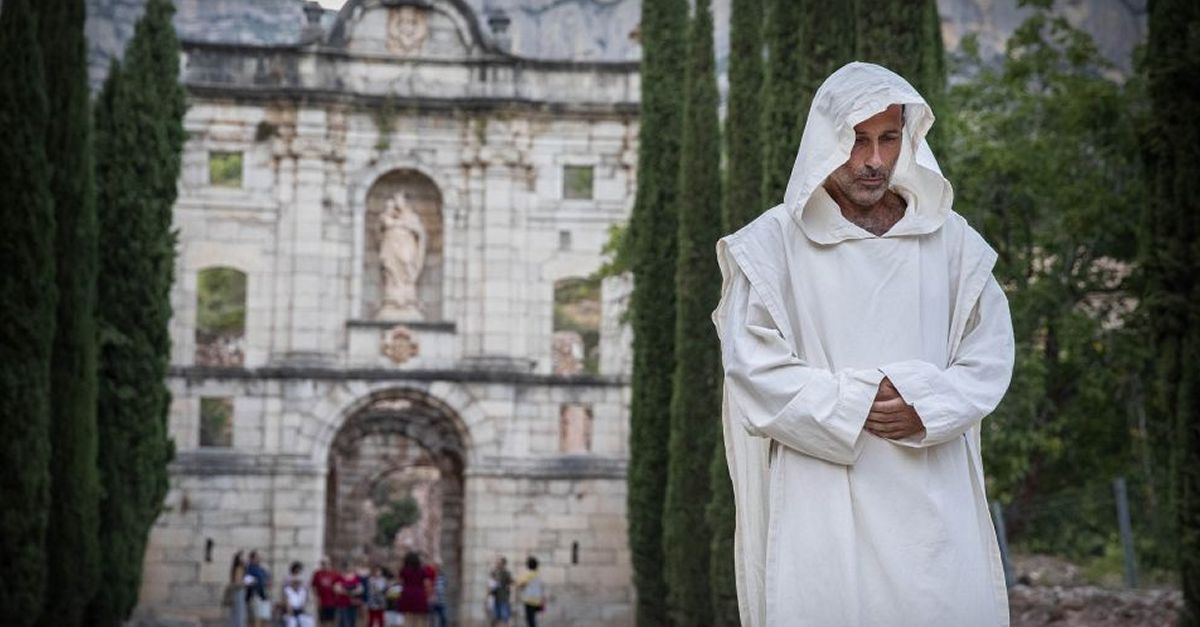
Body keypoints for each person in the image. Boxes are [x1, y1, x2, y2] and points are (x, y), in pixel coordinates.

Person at [714, 62, 1015, 627]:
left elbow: (990, 355)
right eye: (857, 140)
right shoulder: (772, 246)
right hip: (821, 497)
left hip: (932, 497)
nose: (874, 159)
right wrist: (857, 403)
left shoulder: (952, 243)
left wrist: (925, 403)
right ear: (827, 140)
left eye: (888, 138)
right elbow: (752, 369)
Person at [396, 551, 431, 627]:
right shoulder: (422, 570)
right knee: (419, 619)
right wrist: (428, 595)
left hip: (407, 595)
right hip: (419, 595)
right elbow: (427, 584)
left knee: (408, 618)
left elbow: (399, 582)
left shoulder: (404, 570)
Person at [515, 556, 545, 627]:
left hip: (529, 600)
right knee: (532, 619)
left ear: (528, 565)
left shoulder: (529, 574)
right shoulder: (537, 574)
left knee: (530, 620)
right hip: (537, 600)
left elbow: (520, 583)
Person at [283, 561, 315, 627]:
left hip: (300, 610)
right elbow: (286, 599)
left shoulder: (302, 590)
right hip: (291, 611)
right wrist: (289, 611)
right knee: (291, 622)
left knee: (309, 621)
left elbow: (306, 589)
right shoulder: (288, 589)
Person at [245, 551, 272, 627]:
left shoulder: (262, 569)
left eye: (258, 557)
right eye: (256, 557)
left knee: (265, 618)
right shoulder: (248, 569)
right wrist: (255, 581)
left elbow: (268, 579)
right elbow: (247, 581)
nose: (258, 559)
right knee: (256, 619)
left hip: (264, 596)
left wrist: (267, 582)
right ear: (252, 559)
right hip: (255, 596)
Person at [311, 556, 339, 627]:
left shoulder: (334, 574)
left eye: (326, 563)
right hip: (321, 602)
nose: (325, 565)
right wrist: (316, 598)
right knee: (321, 621)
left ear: (329, 564)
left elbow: (338, 586)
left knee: (331, 621)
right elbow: (314, 586)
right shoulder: (317, 574)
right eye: (323, 563)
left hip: (332, 602)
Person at [223, 551, 248, 627]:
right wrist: (245, 583)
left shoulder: (236, 569)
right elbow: (237, 583)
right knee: (239, 614)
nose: (244, 560)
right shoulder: (239, 569)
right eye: (242, 558)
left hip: (237, 592)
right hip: (238, 592)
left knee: (236, 614)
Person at [333, 561, 362, 627]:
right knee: (344, 621)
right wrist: (347, 592)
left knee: (353, 621)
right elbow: (336, 589)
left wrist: (352, 591)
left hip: (353, 603)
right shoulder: (340, 577)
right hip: (343, 603)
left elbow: (360, 589)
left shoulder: (355, 577)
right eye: (347, 567)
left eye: (350, 567)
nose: (349, 568)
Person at [488, 557, 513, 626]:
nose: (497, 564)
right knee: (495, 617)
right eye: (497, 563)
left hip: (504, 598)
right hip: (495, 598)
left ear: (503, 564)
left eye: (499, 563)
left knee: (505, 617)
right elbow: (490, 584)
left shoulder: (506, 573)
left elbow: (511, 583)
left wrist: (507, 587)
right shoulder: (494, 572)